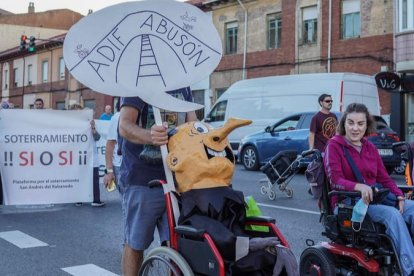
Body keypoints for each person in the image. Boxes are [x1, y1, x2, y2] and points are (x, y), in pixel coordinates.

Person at [324, 103, 414, 276]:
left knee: (412, 208)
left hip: (375, 200)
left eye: (360, 123)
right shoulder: (334, 146)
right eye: (351, 123)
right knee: (392, 215)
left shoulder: (370, 147)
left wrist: (399, 196)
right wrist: (359, 187)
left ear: (367, 126)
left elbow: (384, 178)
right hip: (348, 204)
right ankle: (409, 269)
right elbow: (335, 181)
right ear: (344, 124)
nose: (355, 128)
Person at [118, 87, 197, 276]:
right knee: (136, 243)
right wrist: (150, 136)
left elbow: (192, 123)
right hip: (142, 178)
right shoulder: (138, 82)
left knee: (178, 245)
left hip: (177, 178)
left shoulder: (183, 83)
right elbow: (125, 125)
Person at [70, 103, 104, 207]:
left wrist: (93, 128)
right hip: (79, 156)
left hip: (92, 156)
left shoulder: (92, 124)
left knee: (94, 178)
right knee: (80, 177)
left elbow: (97, 138)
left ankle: (96, 199)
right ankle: (78, 199)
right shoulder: (75, 124)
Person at [103, 101, 122, 192]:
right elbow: (110, 145)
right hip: (120, 165)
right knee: (125, 199)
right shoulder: (117, 117)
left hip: (132, 164)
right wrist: (109, 172)